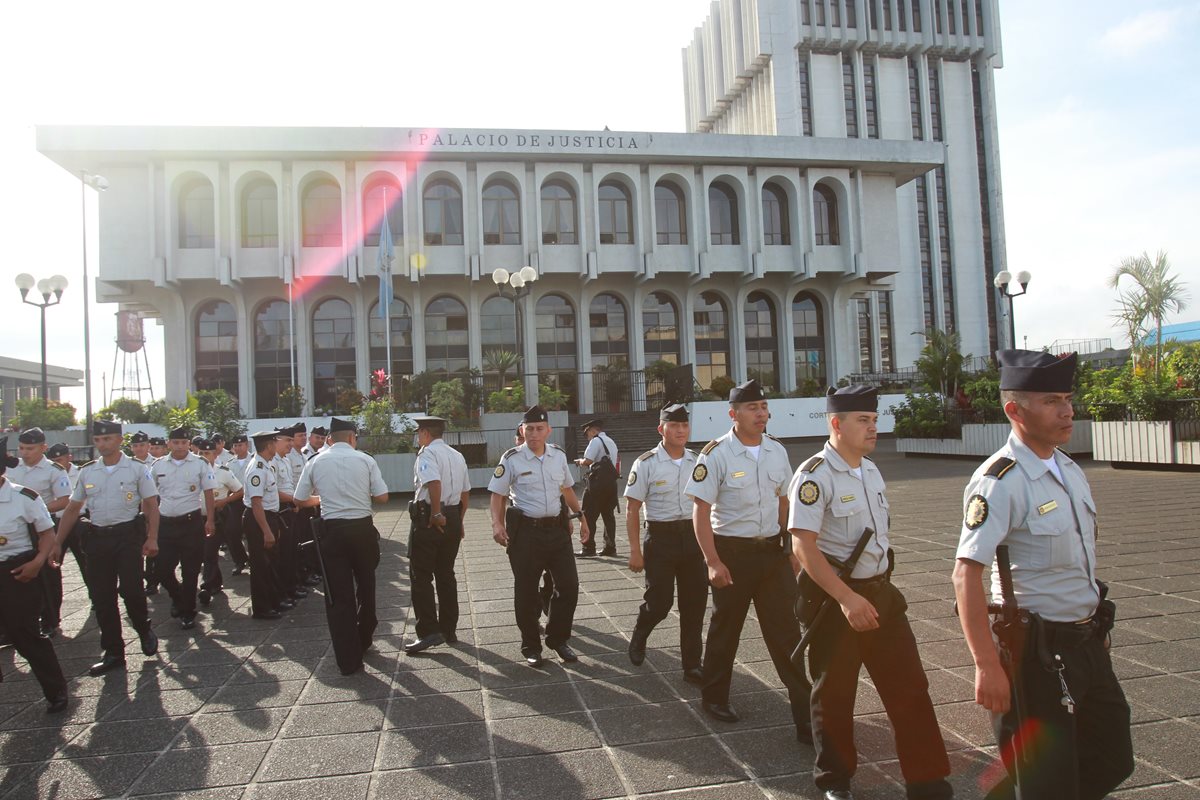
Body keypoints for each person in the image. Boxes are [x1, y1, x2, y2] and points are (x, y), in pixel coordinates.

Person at [953, 350, 1134, 800]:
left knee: (1113, 757)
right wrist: (985, 664)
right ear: (1015, 410)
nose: (1068, 410)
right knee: (1047, 781)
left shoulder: (1067, 466)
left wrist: (1092, 624)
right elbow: (965, 575)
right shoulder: (1000, 480)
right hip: (1036, 655)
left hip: (1087, 641)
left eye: (1068, 398)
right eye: (1052, 400)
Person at [789, 386, 952, 800]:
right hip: (834, 602)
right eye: (863, 420)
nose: (872, 428)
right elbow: (802, 546)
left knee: (911, 689)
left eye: (874, 420)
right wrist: (846, 598)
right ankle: (835, 781)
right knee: (835, 695)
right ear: (836, 424)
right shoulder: (814, 475)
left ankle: (928, 781)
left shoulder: (871, 470)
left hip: (881, 595)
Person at [683, 379, 811, 743]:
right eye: (752, 408)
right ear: (733, 414)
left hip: (772, 553)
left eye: (764, 407)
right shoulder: (716, 454)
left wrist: (791, 551)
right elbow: (701, 511)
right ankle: (714, 697)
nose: (761, 414)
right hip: (732, 554)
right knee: (726, 629)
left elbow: (784, 501)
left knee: (787, 633)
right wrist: (712, 561)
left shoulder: (776, 451)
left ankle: (805, 715)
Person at [52, 420, 159, 676]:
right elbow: (73, 508)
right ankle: (113, 652)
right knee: (102, 597)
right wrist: (57, 542)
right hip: (98, 538)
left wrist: (152, 537)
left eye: (107, 439)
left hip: (127, 537)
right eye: (98, 440)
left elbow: (152, 505)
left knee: (132, 590)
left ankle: (143, 628)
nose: (102, 444)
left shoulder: (135, 469)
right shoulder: (88, 472)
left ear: (119, 440)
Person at [489, 405, 590, 666]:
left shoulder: (557, 455)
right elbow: (498, 495)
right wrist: (497, 525)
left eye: (539, 428)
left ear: (548, 431)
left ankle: (558, 639)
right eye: (529, 428)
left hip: (556, 531)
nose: (534, 433)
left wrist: (581, 517)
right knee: (526, 591)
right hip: (526, 534)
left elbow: (567, 489)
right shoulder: (511, 458)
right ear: (522, 430)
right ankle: (531, 646)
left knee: (568, 586)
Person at [293, 417, 389, 675]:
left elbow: (300, 500)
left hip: (332, 532)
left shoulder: (316, 461)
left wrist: (323, 497)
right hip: (362, 529)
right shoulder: (366, 460)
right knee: (367, 585)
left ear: (329, 439)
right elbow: (382, 497)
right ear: (352, 438)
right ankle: (365, 636)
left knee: (338, 595)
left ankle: (349, 660)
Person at [624, 404, 706, 684]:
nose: (681, 430)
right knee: (659, 603)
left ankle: (692, 665)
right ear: (662, 429)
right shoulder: (646, 463)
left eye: (684, 425)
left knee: (694, 606)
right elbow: (632, 508)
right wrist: (635, 551)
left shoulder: (698, 460)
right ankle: (640, 632)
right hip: (661, 539)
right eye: (674, 426)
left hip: (694, 539)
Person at [0, 437, 69, 713]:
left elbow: (46, 533)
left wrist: (38, 562)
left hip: (17, 573)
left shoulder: (23, 497)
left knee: (25, 635)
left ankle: (56, 691)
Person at [404, 417, 471, 654]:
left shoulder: (427, 454)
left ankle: (429, 632)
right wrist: (458, 521)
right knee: (446, 573)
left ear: (424, 433)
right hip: (453, 515)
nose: (417, 438)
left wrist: (435, 513)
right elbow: (465, 491)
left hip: (430, 518)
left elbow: (433, 482)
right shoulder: (456, 455)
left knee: (420, 575)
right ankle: (448, 628)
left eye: (418, 433)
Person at [150, 427, 218, 630]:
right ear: (168, 444)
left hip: (191, 522)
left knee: (190, 570)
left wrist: (210, 520)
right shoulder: (157, 465)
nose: (179, 446)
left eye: (183, 442)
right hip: (165, 524)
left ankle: (188, 612)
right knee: (161, 570)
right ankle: (177, 596)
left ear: (189, 444)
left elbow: (208, 492)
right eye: (175, 442)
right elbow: (150, 496)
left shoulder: (200, 464)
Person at [9, 427, 73, 638]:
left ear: (43, 448)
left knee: (47, 575)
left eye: (30, 448)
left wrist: (35, 510)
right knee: (15, 573)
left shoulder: (54, 470)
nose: (25, 453)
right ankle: (14, 624)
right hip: (16, 530)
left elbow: (64, 499)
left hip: (43, 528)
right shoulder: (13, 468)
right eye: (21, 448)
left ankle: (50, 620)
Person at [242, 431, 286, 619]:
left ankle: (273, 601)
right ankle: (262, 608)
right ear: (268, 445)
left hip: (268, 517)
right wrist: (266, 531)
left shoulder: (266, 465)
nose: (276, 445)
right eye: (275, 442)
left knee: (271, 562)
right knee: (261, 565)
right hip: (259, 519)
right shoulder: (257, 469)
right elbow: (256, 503)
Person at [198, 439, 243, 607]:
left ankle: (206, 586)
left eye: (207, 453)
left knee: (209, 551)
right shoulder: (192, 472)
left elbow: (239, 491)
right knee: (205, 553)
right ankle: (215, 582)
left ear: (215, 454)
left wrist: (224, 501)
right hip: (197, 517)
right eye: (200, 453)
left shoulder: (223, 472)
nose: (203, 457)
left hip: (217, 517)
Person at [575, 419, 619, 557]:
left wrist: (579, 462)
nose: (587, 437)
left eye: (587, 433)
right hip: (611, 483)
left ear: (593, 430)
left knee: (588, 515)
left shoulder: (596, 441)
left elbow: (588, 460)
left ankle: (588, 548)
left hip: (597, 484)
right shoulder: (611, 441)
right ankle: (610, 547)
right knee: (608, 516)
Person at [130, 431, 160, 596]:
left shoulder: (156, 464)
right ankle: (135, 580)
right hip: (132, 510)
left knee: (151, 545)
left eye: (142, 445)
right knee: (134, 548)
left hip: (152, 507)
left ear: (148, 446)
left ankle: (152, 580)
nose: (139, 448)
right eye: (135, 445)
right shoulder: (127, 465)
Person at [223, 434, 252, 574]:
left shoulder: (253, 460)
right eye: (235, 445)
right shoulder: (229, 464)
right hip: (235, 501)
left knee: (251, 532)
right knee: (231, 532)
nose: (238, 448)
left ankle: (254, 559)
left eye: (241, 445)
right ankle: (240, 560)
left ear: (247, 445)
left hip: (251, 501)